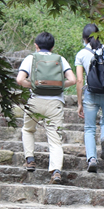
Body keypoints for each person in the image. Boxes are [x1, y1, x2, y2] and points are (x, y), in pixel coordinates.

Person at [16, 32, 76, 184]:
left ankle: (30, 159)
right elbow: (73, 80)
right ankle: (56, 171)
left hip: (35, 100)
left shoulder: (31, 58)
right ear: (53, 47)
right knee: (55, 140)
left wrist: (35, 85)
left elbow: (20, 80)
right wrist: (58, 85)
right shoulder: (60, 59)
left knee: (28, 129)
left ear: (36, 46)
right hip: (54, 103)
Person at [74, 23, 104, 173]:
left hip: (91, 94)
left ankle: (92, 159)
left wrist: (79, 102)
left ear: (84, 38)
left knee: (89, 128)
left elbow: (80, 80)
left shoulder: (81, 54)